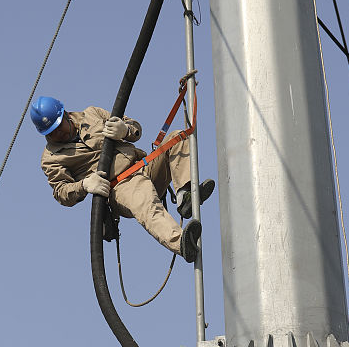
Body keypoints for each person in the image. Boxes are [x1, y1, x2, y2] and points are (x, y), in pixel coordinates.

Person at [30, 96, 214, 263]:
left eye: (59, 127)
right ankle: (181, 243)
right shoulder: (51, 158)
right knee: (146, 204)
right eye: (51, 133)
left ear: (66, 115)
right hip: (121, 185)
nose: (58, 135)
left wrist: (125, 130)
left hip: (143, 165)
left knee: (177, 137)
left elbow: (135, 127)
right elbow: (61, 192)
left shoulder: (92, 114)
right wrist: (84, 185)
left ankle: (186, 195)